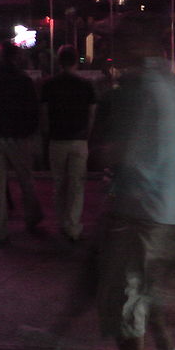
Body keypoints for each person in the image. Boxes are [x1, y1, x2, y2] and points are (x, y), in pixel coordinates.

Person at [93, 14, 175, 350]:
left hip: (141, 206)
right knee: (147, 290)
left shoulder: (135, 91)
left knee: (125, 297)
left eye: (118, 44)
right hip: (172, 208)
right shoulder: (174, 88)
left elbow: (118, 153)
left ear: (133, 47)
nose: (112, 52)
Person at [0, 40, 43, 245]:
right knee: (25, 180)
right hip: (18, 135)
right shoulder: (23, 81)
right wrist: (30, 131)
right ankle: (32, 216)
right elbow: (32, 110)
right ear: (16, 58)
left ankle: (0, 230)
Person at [41, 45, 97, 244]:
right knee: (76, 185)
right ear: (76, 61)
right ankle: (73, 226)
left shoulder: (49, 85)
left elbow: (45, 114)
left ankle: (63, 223)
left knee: (59, 184)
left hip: (57, 139)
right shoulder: (86, 85)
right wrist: (87, 136)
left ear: (59, 61)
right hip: (79, 140)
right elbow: (91, 115)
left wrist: (47, 135)